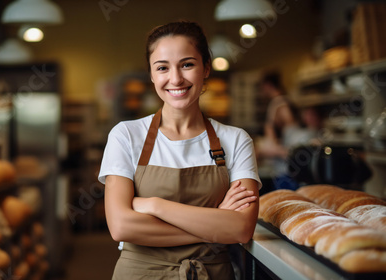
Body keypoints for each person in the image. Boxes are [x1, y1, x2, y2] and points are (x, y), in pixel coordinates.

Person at [98, 21, 261, 279]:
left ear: (206, 68)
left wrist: (154, 205)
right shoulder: (126, 135)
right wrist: (217, 223)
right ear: (151, 75)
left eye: (187, 64)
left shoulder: (235, 140)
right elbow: (120, 226)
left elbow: (241, 229)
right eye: (162, 67)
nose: (175, 79)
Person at [256, 72, 302, 190]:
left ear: (267, 85)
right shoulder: (280, 102)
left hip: (286, 170)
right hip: (282, 168)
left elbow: (292, 132)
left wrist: (272, 150)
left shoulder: (280, 104)